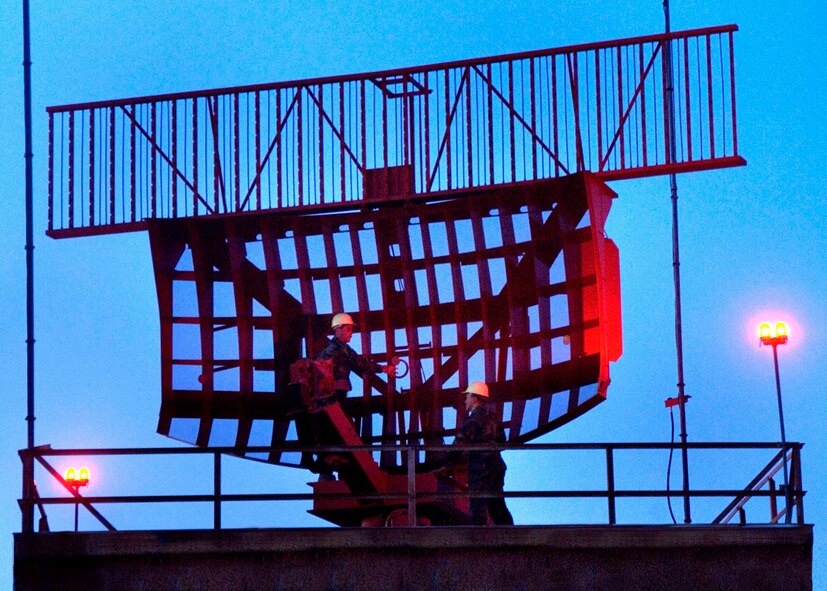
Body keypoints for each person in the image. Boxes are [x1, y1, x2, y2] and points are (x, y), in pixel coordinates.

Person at [444, 381, 513, 525]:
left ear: (474, 398)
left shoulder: (473, 420)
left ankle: (478, 535)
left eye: (467, 397)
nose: (465, 400)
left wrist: (446, 462)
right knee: (497, 506)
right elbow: (502, 441)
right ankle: (511, 533)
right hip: (496, 466)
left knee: (477, 507)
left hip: (480, 468)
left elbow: (459, 444)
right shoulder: (494, 418)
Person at [316, 312, 397, 404]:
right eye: (348, 329)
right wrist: (383, 368)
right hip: (334, 394)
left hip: (330, 393)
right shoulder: (340, 349)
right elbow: (360, 363)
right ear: (338, 330)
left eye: (351, 330)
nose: (351, 333)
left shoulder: (333, 348)